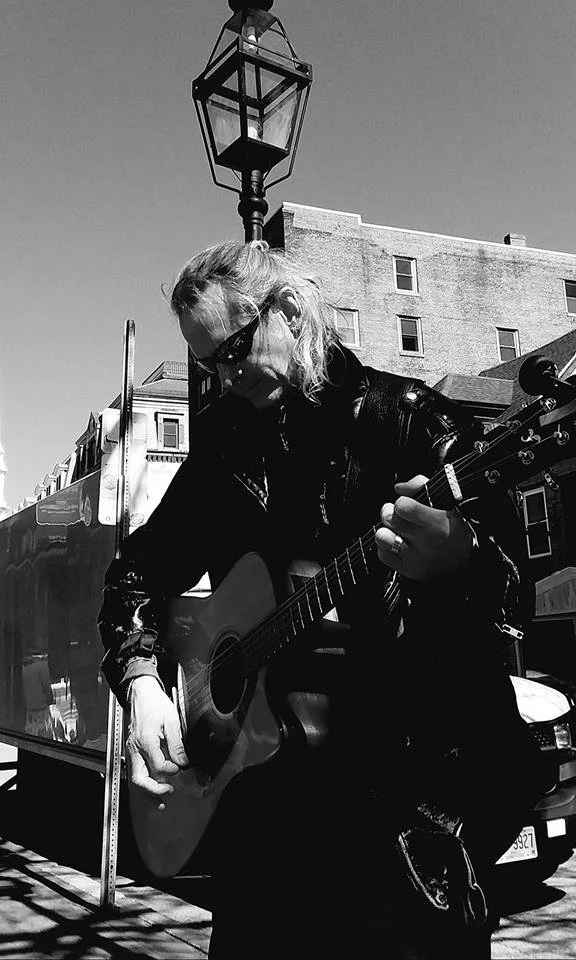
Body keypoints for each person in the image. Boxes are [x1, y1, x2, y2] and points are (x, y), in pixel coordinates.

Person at [99, 240, 549, 959]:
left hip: (402, 830)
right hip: (264, 839)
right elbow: (135, 575)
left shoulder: (405, 420)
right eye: (208, 362)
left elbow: (513, 595)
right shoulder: (223, 450)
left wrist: (460, 560)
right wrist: (144, 683)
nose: (223, 377)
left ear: (289, 309)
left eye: (233, 350)